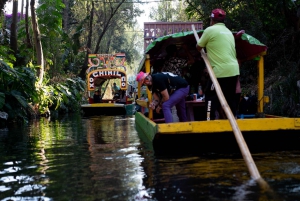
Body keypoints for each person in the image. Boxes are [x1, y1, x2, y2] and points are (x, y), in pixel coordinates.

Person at [196, 8, 240, 120]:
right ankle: (233, 119)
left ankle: (209, 120)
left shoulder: (209, 30)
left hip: (220, 72)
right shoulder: (229, 32)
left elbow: (198, 47)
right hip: (234, 70)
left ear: (212, 20)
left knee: (210, 96)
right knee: (230, 97)